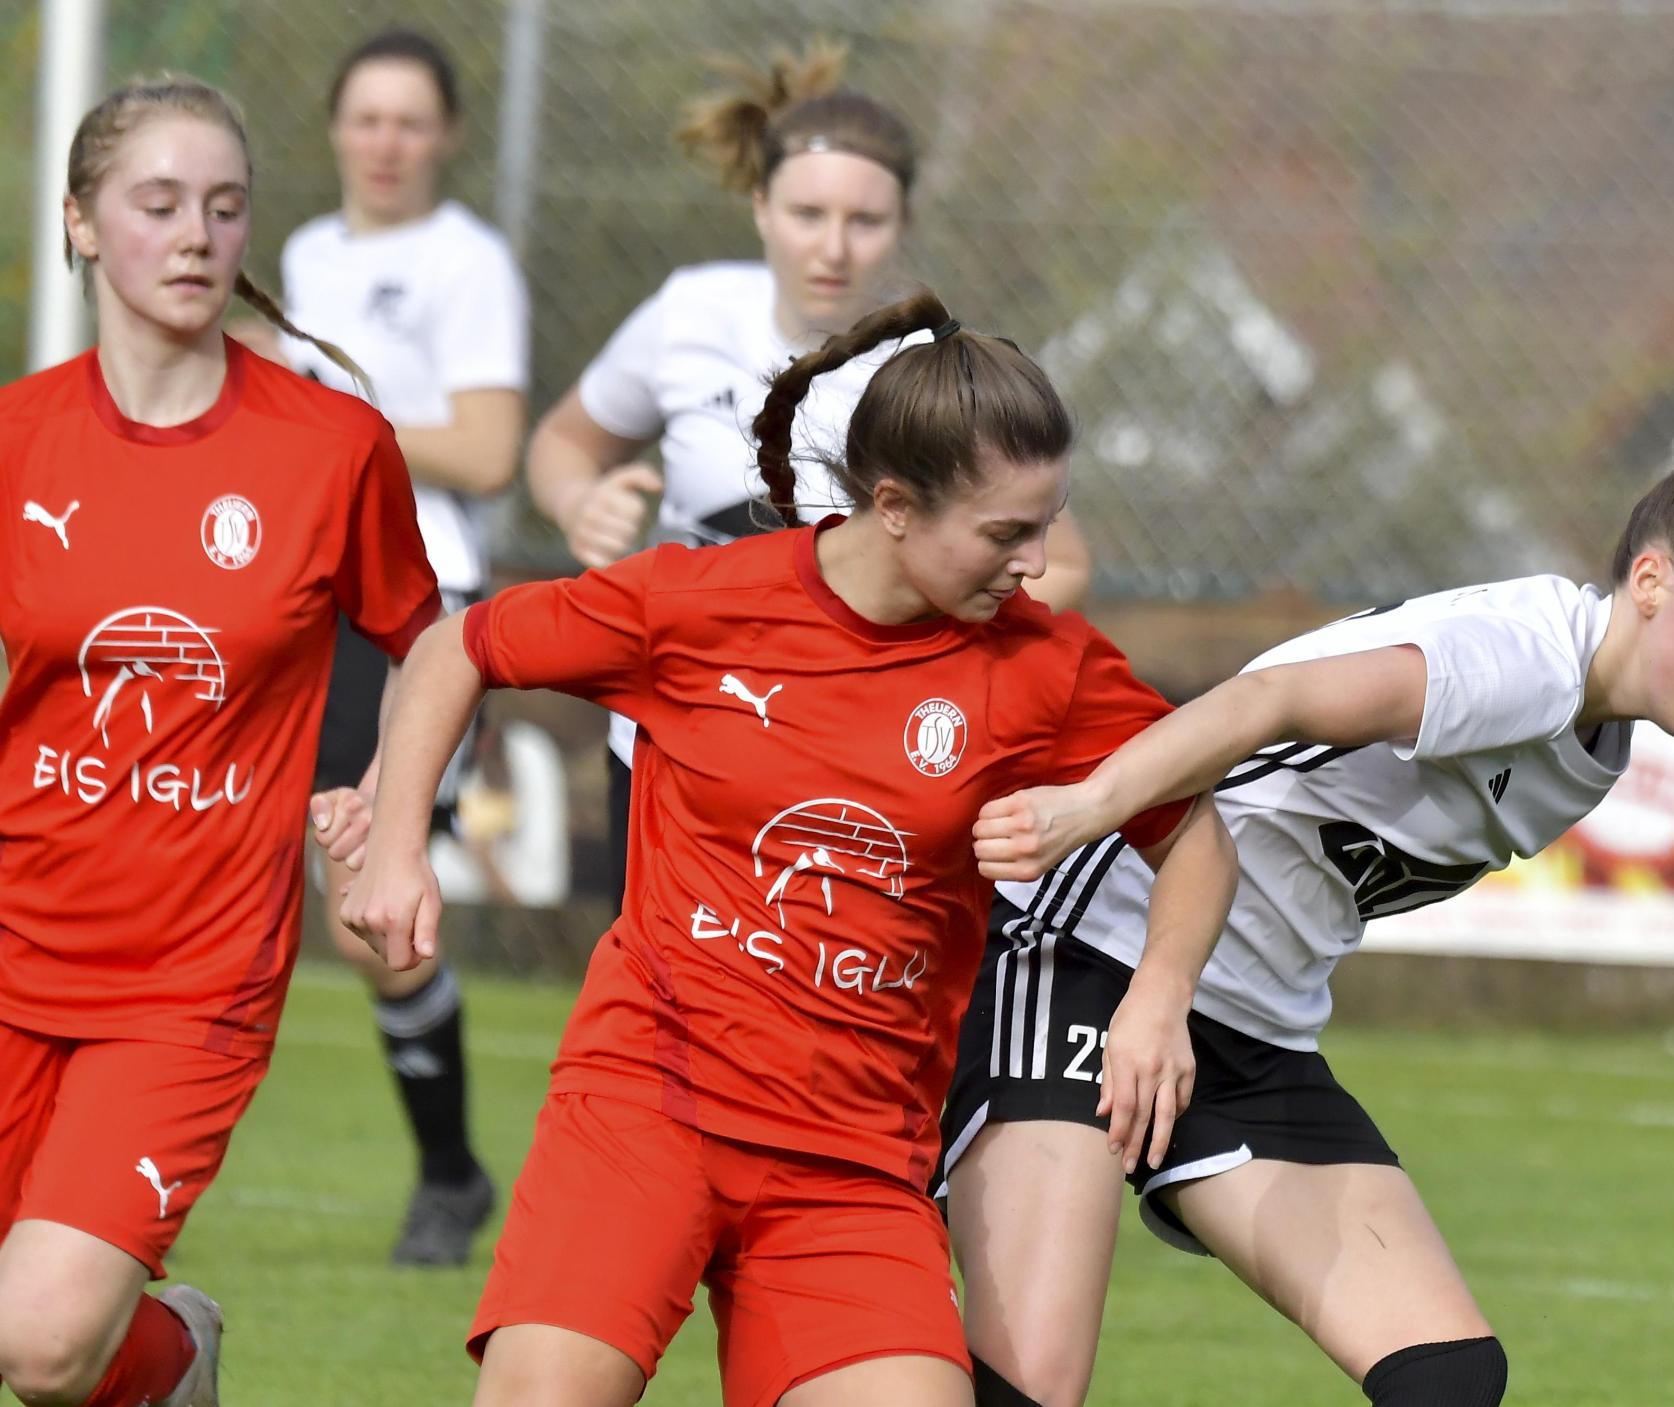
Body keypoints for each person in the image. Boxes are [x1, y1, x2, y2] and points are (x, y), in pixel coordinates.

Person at [343, 288, 1237, 1407]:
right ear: (896, 506)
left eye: (1047, 523)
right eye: (1007, 532)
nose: (1036, 561)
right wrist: (395, 847)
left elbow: (1192, 823)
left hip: (851, 1160)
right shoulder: (699, 601)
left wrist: (1158, 992)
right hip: (647, 1106)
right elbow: (456, 647)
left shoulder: (1042, 667)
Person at [946, 394, 1674, 1407]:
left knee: (1447, 1378)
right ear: (1649, 580)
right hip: (1089, 960)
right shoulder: (1524, 662)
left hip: (1246, 1029)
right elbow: (1262, 703)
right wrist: (1093, 807)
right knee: (1027, 1392)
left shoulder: (1595, 747)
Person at [0, 77, 439, 1406]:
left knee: (36, 1344)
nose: (195, 234)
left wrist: (391, 807)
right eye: (156, 204)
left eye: (224, 206)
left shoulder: (331, 447)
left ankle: (174, 1348)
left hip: (188, 979)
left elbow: (435, 641)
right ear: (79, 223)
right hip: (13, 929)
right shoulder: (16, 440)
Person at [524, 42, 1092, 906]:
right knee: (654, 996)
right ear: (758, 204)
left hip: (844, 753)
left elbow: (1063, 564)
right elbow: (561, 444)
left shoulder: (927, 367)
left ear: (902, 223)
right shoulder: (689, 312)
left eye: (864, 221)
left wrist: (907, 647)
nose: (832, 246)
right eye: (805, 212)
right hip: (668, 726)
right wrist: (580, 502)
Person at [261, 26, 531, 1268]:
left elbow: (484, 452)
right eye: (365, 118)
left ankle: (449, 1173)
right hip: (304, 594)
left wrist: (330, 413)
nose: (385, 143)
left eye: (409, 121)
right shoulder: (307, 254)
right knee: (308, 883)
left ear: (448, 136)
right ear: (332, 129)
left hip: (421, 607)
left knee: (371, 892)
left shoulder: (467, 265)